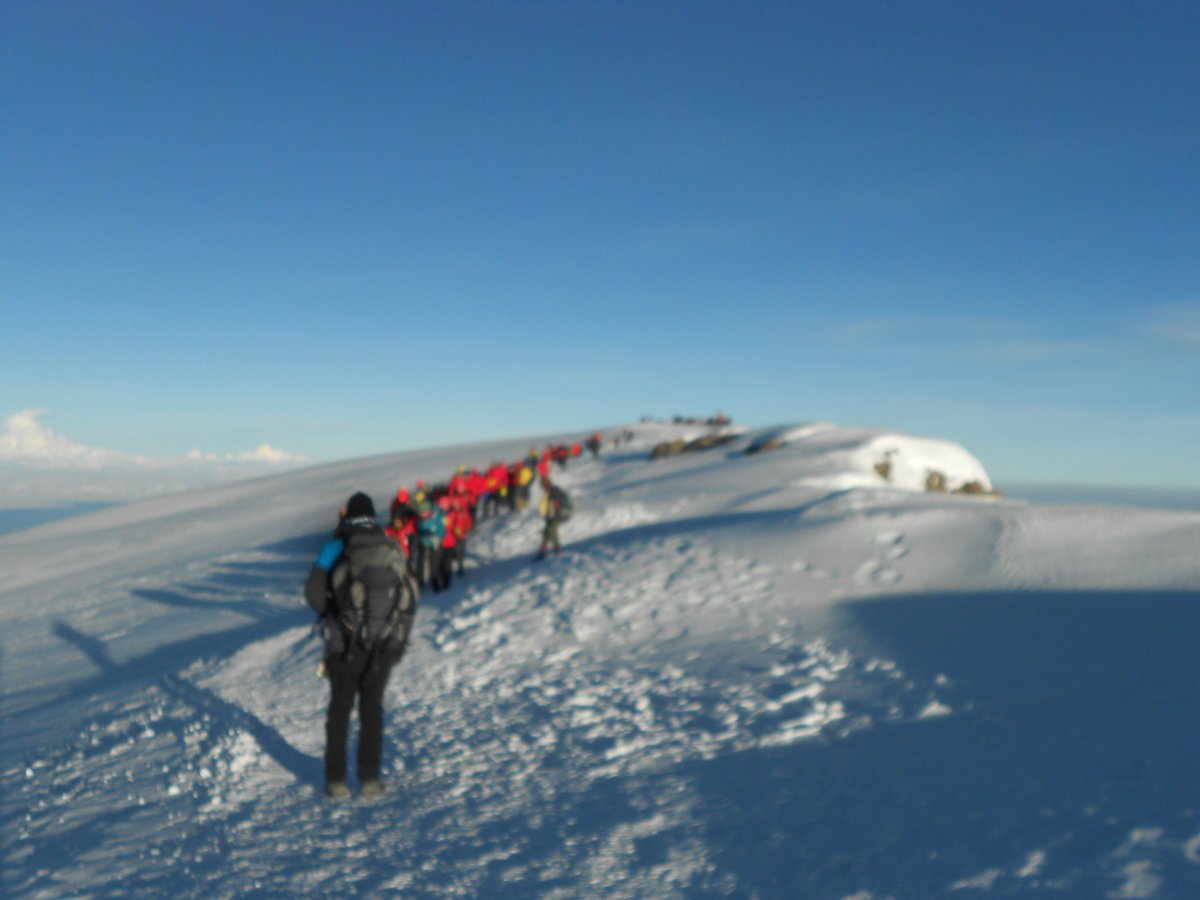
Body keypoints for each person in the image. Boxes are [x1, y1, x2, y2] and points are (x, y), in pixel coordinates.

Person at [305, 492, 418, 799]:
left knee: (340, 709)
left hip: (343, 643)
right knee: (372, 709)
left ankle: (336, 780)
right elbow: (409, 595)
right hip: (384, 643)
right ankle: (369, 779)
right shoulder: (390, 546)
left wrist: (335, 614)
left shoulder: (335, 547)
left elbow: (313, 594)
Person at [535, 477, 573, 561]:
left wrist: (556, 505)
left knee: (551, 529)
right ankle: (542, 551)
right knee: (546, 532)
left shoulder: (554, 490)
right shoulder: (548, 492)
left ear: (547, 484)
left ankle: (557, 548)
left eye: (543, 485)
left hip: (560, 514)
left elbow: (558, 502)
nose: (542, 488)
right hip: (553, 515)